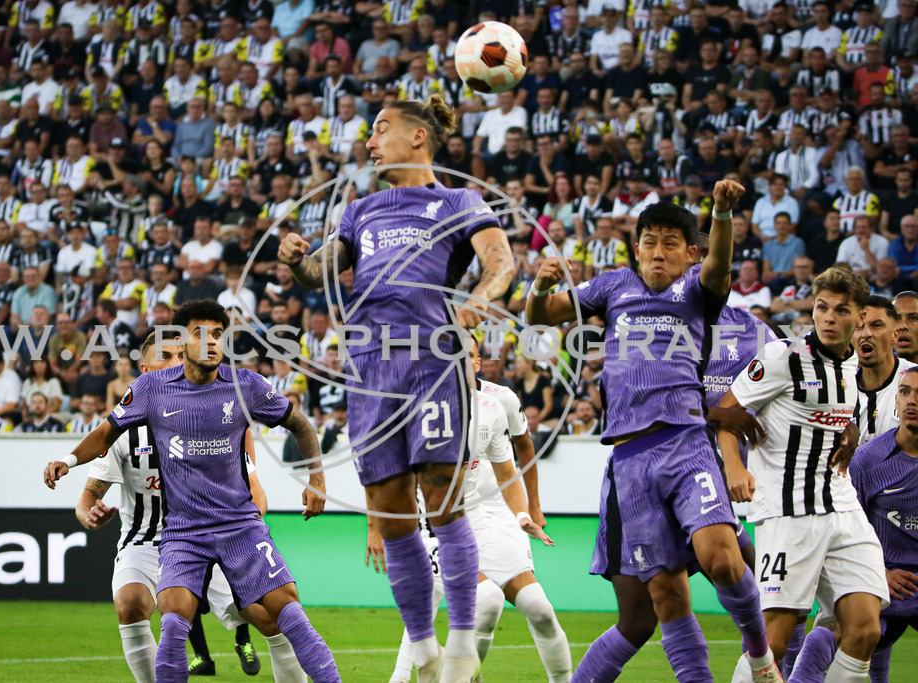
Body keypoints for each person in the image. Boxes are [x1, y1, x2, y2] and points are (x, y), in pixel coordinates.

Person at [277, 94, 515, 683]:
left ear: (418, 138)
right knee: (390, 514)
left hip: (432, 362)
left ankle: (461, 643)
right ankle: (425, 647)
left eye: (381, 128)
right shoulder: (362, 210)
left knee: (443, 500)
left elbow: (501, 260)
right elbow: (322, 271)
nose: (369, 140)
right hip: (371, 370)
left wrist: (478, 304)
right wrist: (297, 259)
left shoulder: (459, 200)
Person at [525, 186, 783, 683]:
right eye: (649, 241)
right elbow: (541, 315)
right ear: (636, 247)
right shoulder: (613, 286)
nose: (658, 251)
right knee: (665, 596)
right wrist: (539, 286)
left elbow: (719, 266)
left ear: (690, 253)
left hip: (687, 446)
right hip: (630, 461)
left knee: (724, 559)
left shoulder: (696, 292)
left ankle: (760, 657)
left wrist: (722, 214)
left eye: (670, 243)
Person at [44, 299, 338, 682]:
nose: (212, 341)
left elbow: (300, 423)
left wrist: (317, 480)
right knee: (173, 623)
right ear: (182, 341)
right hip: (183, 533)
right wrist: (68, 459)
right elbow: (105, 432)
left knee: (288, 612)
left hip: (239, 527)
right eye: (200, 333)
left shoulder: (244, 384)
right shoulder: (151, 388)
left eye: (218, 333)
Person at [717, 268, 890, 680]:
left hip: (843, 508)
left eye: (841, 310)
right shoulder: (783, 358)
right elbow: (725, 412)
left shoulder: (851, 368)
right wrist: (735, 466)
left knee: (866, 629)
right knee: (773, 642)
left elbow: (833, 414)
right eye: (821, 308)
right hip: (788, 511)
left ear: (859, 317)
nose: (829, 318)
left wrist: (847, 430)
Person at [380, 336, 566, 682]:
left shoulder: (495, 406)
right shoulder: (414, 406)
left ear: (477, 363)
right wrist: (377, 528)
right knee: (474, 601)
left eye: (464, 357)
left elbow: (510, 469)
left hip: (481, 517)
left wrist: (526, 513)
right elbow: (383, 471)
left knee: (536, 608)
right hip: (428, 526)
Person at [848, 369, 918, 683]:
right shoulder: (867, 460)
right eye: (904, 392)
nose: (911, 401)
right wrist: (878, 574)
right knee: (834, 632)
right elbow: (847, 532)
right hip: (881, 579)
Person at [855, 296, 917, 444]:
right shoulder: (837, 388)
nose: (866, 334)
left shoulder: (913, 378)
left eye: (876, 325)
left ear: (894, 335)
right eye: (859, 326)